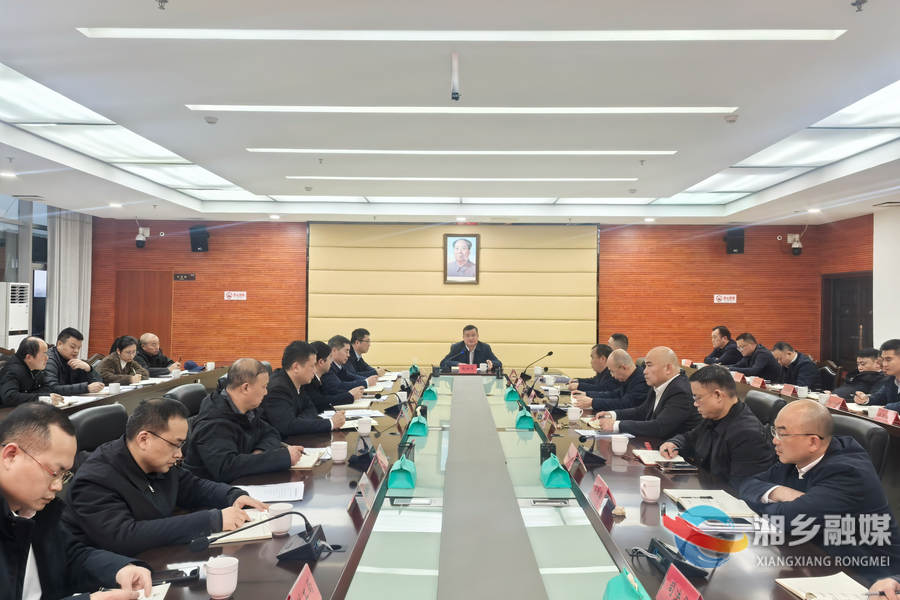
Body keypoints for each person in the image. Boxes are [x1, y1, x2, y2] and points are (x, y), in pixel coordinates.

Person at [62, 398, 267, 556]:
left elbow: (193, 487)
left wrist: (233, 495)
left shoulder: (157, 462)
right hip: (112, 579)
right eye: (175, 445)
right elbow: (125, 536)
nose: (179, 454)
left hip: (155, 556)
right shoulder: (93, 481)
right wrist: (211, 520)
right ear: (144, 439)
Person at [0, 403, 153, 600]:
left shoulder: (33, 509)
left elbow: (71, 555)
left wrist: (120, 569)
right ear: (11, 455)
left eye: (63, 475)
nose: (58, 486)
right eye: (54, 472)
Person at [739, 401, 900, 578]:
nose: (775, 440)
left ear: (813, 442)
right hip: (814, 555)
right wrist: (779, 492)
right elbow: (748, 484)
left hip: (868, 574)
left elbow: (790, 519)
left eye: (782, 434)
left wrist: (774, 505)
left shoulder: (848, 472)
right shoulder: (796, 458)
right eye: (775, 431)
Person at [183, 358, 305, 483]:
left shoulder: (246, 411)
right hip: (212, 489)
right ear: (245, 388)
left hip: (240, 483)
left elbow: (271, 432)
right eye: (264, 387)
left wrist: (258, 455)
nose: (266, 392)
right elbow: (226, 468)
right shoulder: (214, 423)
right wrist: (281, 457)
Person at [659, 366, 775, 488]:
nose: (695, 404)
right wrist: (674, 443)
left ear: (718, 395)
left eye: (698, 398)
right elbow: (689, 438)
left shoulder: (748, 435)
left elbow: (741, 490)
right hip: (705, 487)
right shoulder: (713, 417)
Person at [592, 347, 702, 438]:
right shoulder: (659, 385)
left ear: (668, 368)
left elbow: (659, 427)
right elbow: (641, 411)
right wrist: (612, 415)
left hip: (675, 453)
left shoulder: (680, 392)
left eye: (649, 366)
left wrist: (617, 425)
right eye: (645, 366)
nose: (644, 371)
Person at [260, 341, 346, 438]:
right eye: (312, 366)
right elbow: (289, 426)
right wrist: (331, 423)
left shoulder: (297, 382)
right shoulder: (277, 389)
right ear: (296, 367)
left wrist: (299, 420)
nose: (315, 370)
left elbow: (311, 408)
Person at [571, 350, 649, 412]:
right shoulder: (629, 378)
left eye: (612, 371)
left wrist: (593, 402)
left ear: (624, 368)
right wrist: (587, 394)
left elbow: (624, 404)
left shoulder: (641, 380)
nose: (612, 375)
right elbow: (613, 394)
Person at [0, 337, 63, 407]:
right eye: (43, 354)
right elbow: (10, 398)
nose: (47, 358)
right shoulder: (12, 370)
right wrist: (40, 398)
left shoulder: (36, 367)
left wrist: (26, 395)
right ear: (29, 357)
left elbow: (47, 388)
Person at [44, 328, 105, 396]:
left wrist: (89, 369)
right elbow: (52, 388)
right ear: (60, 344)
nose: (76, 351)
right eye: (72, 347)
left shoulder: (74, 361)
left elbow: (99, 385)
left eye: (79, 348)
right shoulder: (49, 360)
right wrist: (86, 388)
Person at [304, 341, 361, 412]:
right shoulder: (307, 380)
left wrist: (350, 393)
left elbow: (330, 391)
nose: (331, 361)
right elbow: (320, 401)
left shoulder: (319, 378)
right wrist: (350, 395)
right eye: (330, 358)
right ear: (321, 362)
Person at [855, 339, 900, 409]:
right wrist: (866, 400)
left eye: (888, 360)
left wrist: (886, 408)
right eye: (883, 360)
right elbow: (880, 398)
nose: (884, 364)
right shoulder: (890, 379)